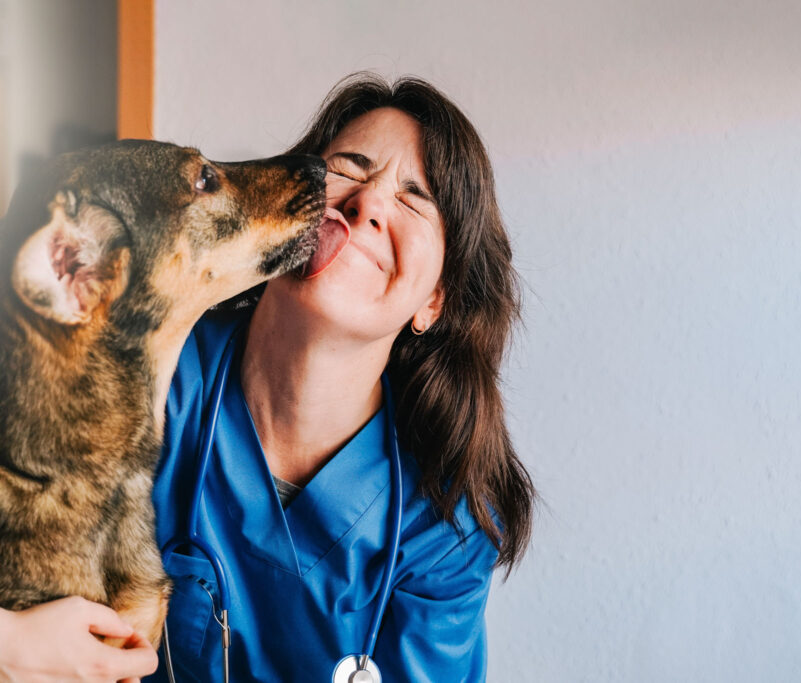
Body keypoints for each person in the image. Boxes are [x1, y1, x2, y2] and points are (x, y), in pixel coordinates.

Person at [0, 73, 533, 682]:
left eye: (415, 197)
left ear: (433, 300)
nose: (370, 204)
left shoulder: (443, 524)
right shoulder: (139, 379)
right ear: (288, 202)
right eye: (350, 168)